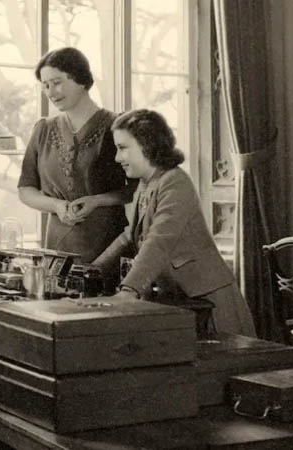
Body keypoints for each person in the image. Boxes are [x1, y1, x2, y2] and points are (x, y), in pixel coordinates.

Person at [90, 109, 256, 337]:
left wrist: (129, 289)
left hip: (210, 303)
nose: (117, 158)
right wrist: (90, 270)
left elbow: (159, 240)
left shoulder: (175, 182)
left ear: (147, 144)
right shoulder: (146, 184)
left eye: (123, 148)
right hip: (184, 300)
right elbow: (129, 237)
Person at [18, 47, 136, 263]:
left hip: (108, 245)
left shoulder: (117, 126)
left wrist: (97, 201)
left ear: (81, 79)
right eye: (45, 86)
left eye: (57, 82)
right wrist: (56, 206)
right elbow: (26, 189)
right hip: (57, 248)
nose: (51, 92)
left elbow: (138, 187)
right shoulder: (42, 129)